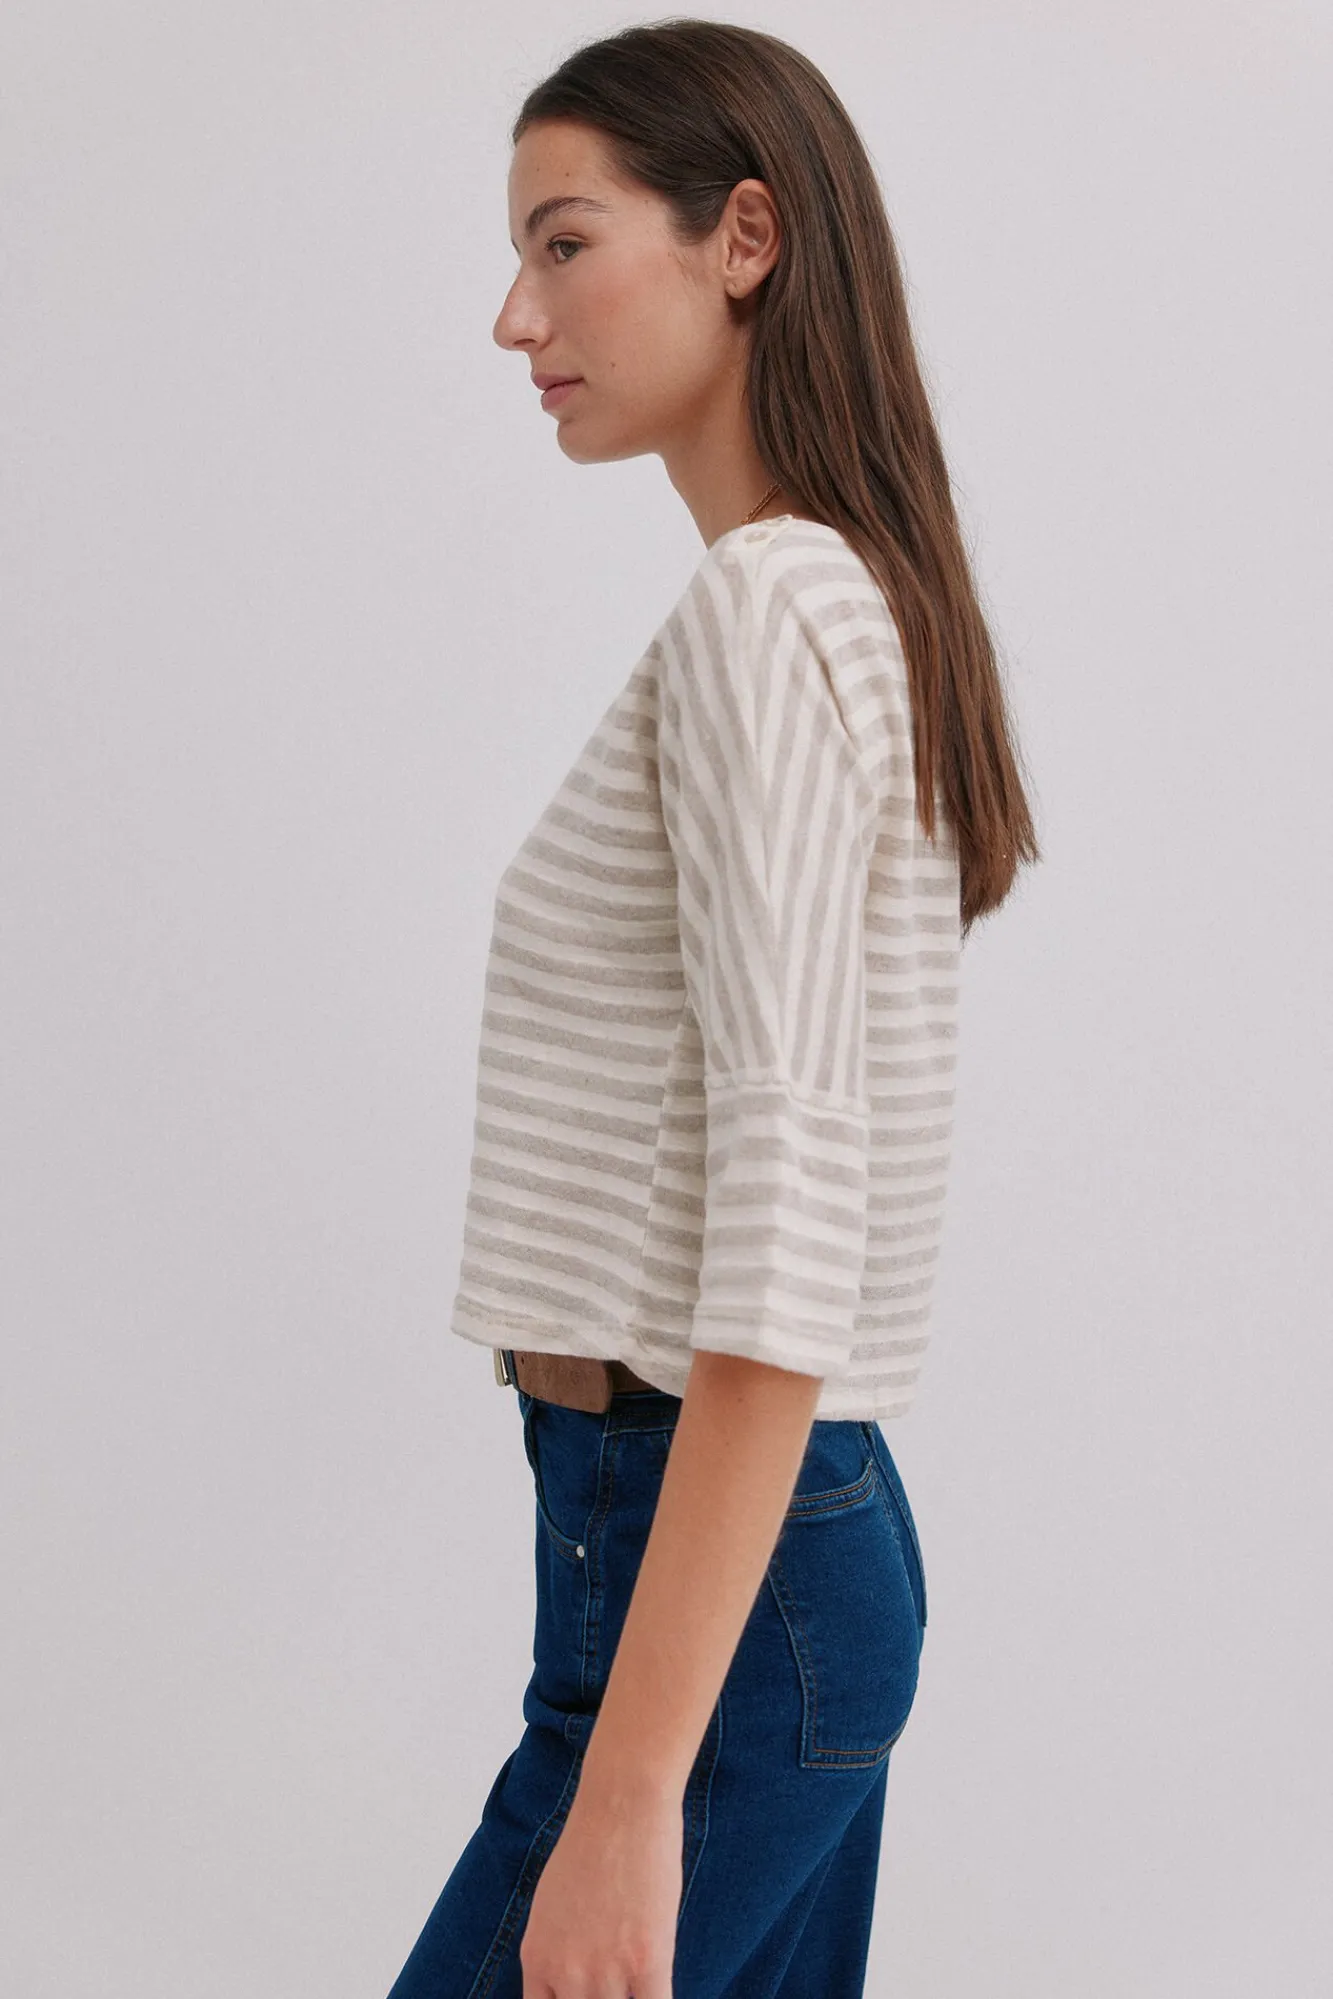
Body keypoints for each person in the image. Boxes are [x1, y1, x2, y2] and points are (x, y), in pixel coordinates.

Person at [386, 20, 1040, 1999]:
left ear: (743, 237)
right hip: (758, 1566)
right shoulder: (845, 598)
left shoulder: (771, 611)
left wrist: (629, 1793)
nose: (517, 316)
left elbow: (786, 1233)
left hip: (720, 1585)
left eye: (563, 242)